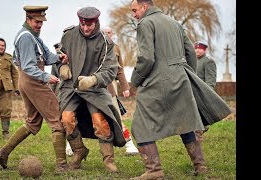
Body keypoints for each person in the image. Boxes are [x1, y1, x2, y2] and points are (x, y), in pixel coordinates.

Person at [130, 0, 232, 179]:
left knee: (140, 124)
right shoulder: (174, 22)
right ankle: (200, 166)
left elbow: (147, 58)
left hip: (156, 81)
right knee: (185, 121)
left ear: (144, 7)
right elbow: (191, 52)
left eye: (135, 10)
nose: (134, 14)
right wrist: (187, 73)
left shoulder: (145, 23)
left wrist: (135, 80)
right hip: (180, 78)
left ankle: (154, 170)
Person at [0, 5, 70, 173]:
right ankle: (62, 165)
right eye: (36, 21)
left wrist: (58, 58)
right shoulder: (26, 37)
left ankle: (3, 152)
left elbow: (46, 56)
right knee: (57, 119)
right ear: (28, 19)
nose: (39, 25)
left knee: (33, 122)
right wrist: (45, 77)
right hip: (33, 80)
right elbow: (28, 66)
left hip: (27, 81)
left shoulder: (33, 35)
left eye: (41, 22)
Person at [56, 6, 126, 173]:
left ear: (96, 22)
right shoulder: (69, 35)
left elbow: (110, 69)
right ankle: (79, 151)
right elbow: (59, 55)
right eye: (83, 24)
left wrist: (94, 79)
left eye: (90, 25)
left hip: (94, 90)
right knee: (66, 119)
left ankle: (109, 161)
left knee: (100, 121)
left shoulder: (106, 42)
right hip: (71, 88)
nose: (86, 28)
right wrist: (62, 67)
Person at [102, 26, 139, 155]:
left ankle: (129, 143)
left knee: (116, 117)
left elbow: (120, 69)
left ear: (112, 34)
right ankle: (71, 146)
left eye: (109, 33)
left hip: (110, 86)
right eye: (104, 32)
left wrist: (125, 87)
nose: (106, 35)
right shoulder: (94, 45)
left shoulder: (116, 48)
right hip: (92, 87)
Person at [194, 41, 217, 142]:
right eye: (196, 48)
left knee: (200, 115)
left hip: (202, 93)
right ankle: (202, 127)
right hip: (192, 92)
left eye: (200, 48)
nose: (197, 50)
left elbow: (210, 80)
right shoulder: (193, 60)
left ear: (205, 50)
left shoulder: (208, 61)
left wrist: (208, 94)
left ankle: (199, 133)